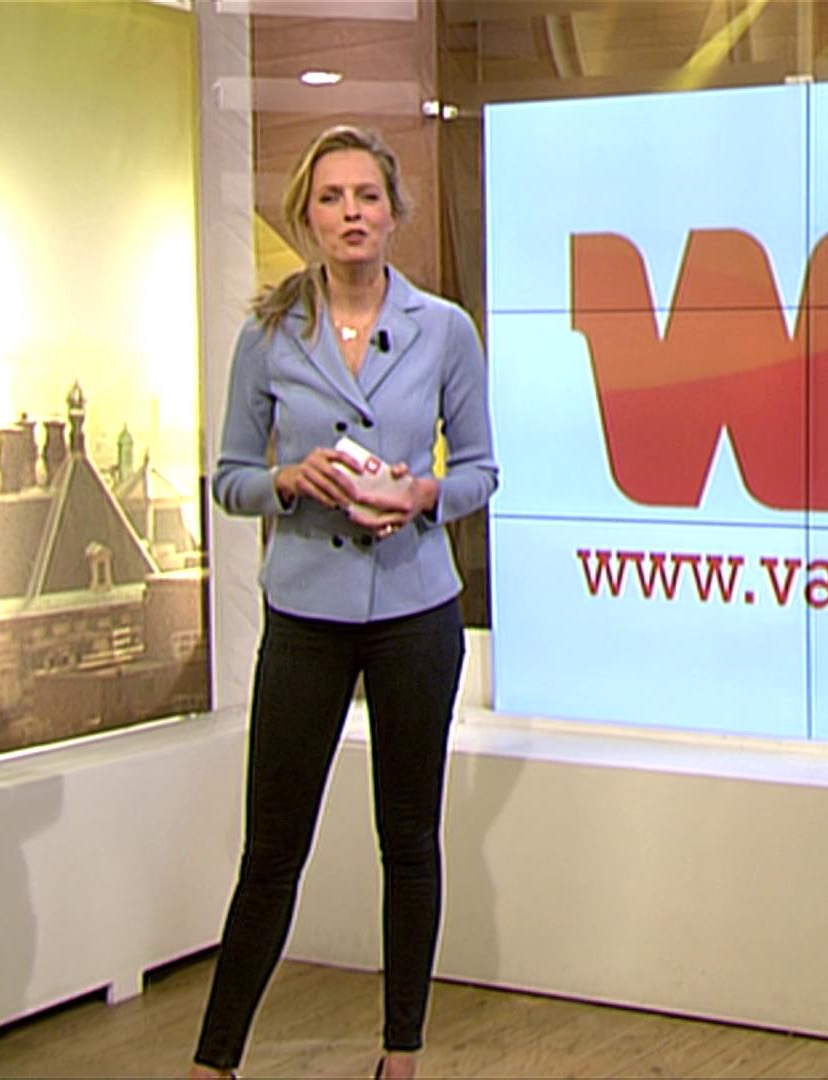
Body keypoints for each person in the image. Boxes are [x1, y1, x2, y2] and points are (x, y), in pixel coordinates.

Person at [189, 124, 496, 1080]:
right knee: (272, 851)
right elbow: (228, 478)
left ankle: (400, 1055)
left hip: (414, 612)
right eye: (332, 198)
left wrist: (426, 494)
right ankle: (214, 1062)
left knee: (409, 841)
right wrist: (287, 481)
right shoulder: (268, 334)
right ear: (308, 217)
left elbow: (481, 469)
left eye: (367, 196)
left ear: (394, 214)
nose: (352, 213)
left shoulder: (444, 329)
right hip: (306, 615)